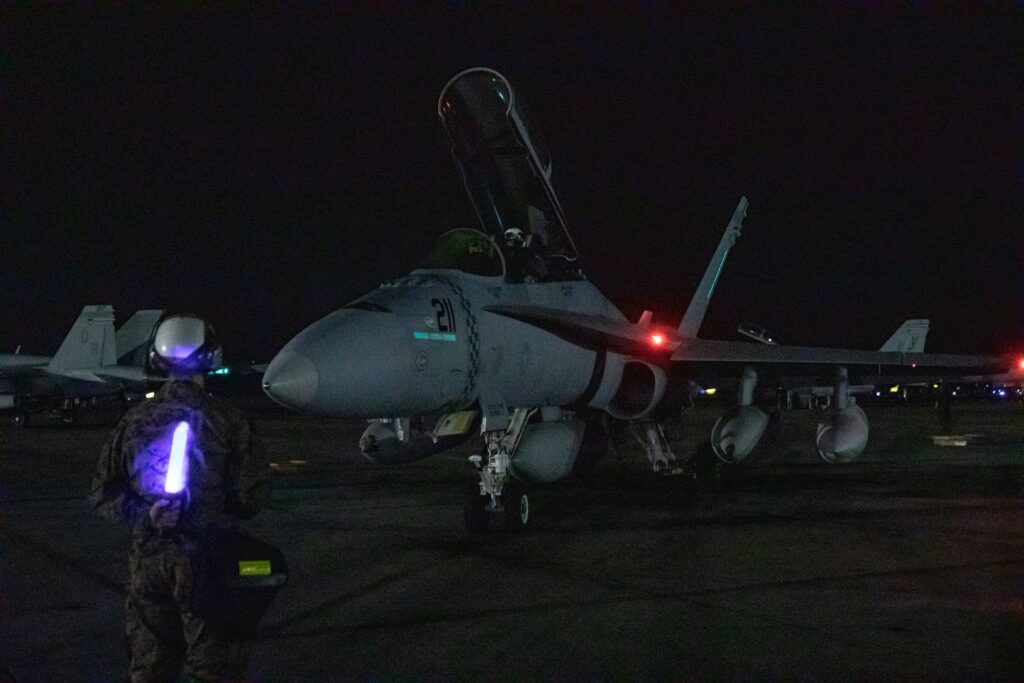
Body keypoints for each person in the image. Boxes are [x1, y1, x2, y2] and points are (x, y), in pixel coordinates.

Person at [90, 314, 270, 683]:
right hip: (208, 564)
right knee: (213, 668)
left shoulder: (133, 420)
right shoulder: (229, 420)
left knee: (150, 667)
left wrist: (148, 516)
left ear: (158, 359)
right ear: (210, 357)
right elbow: (250, 499)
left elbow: (102, 493)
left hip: (149, 564)